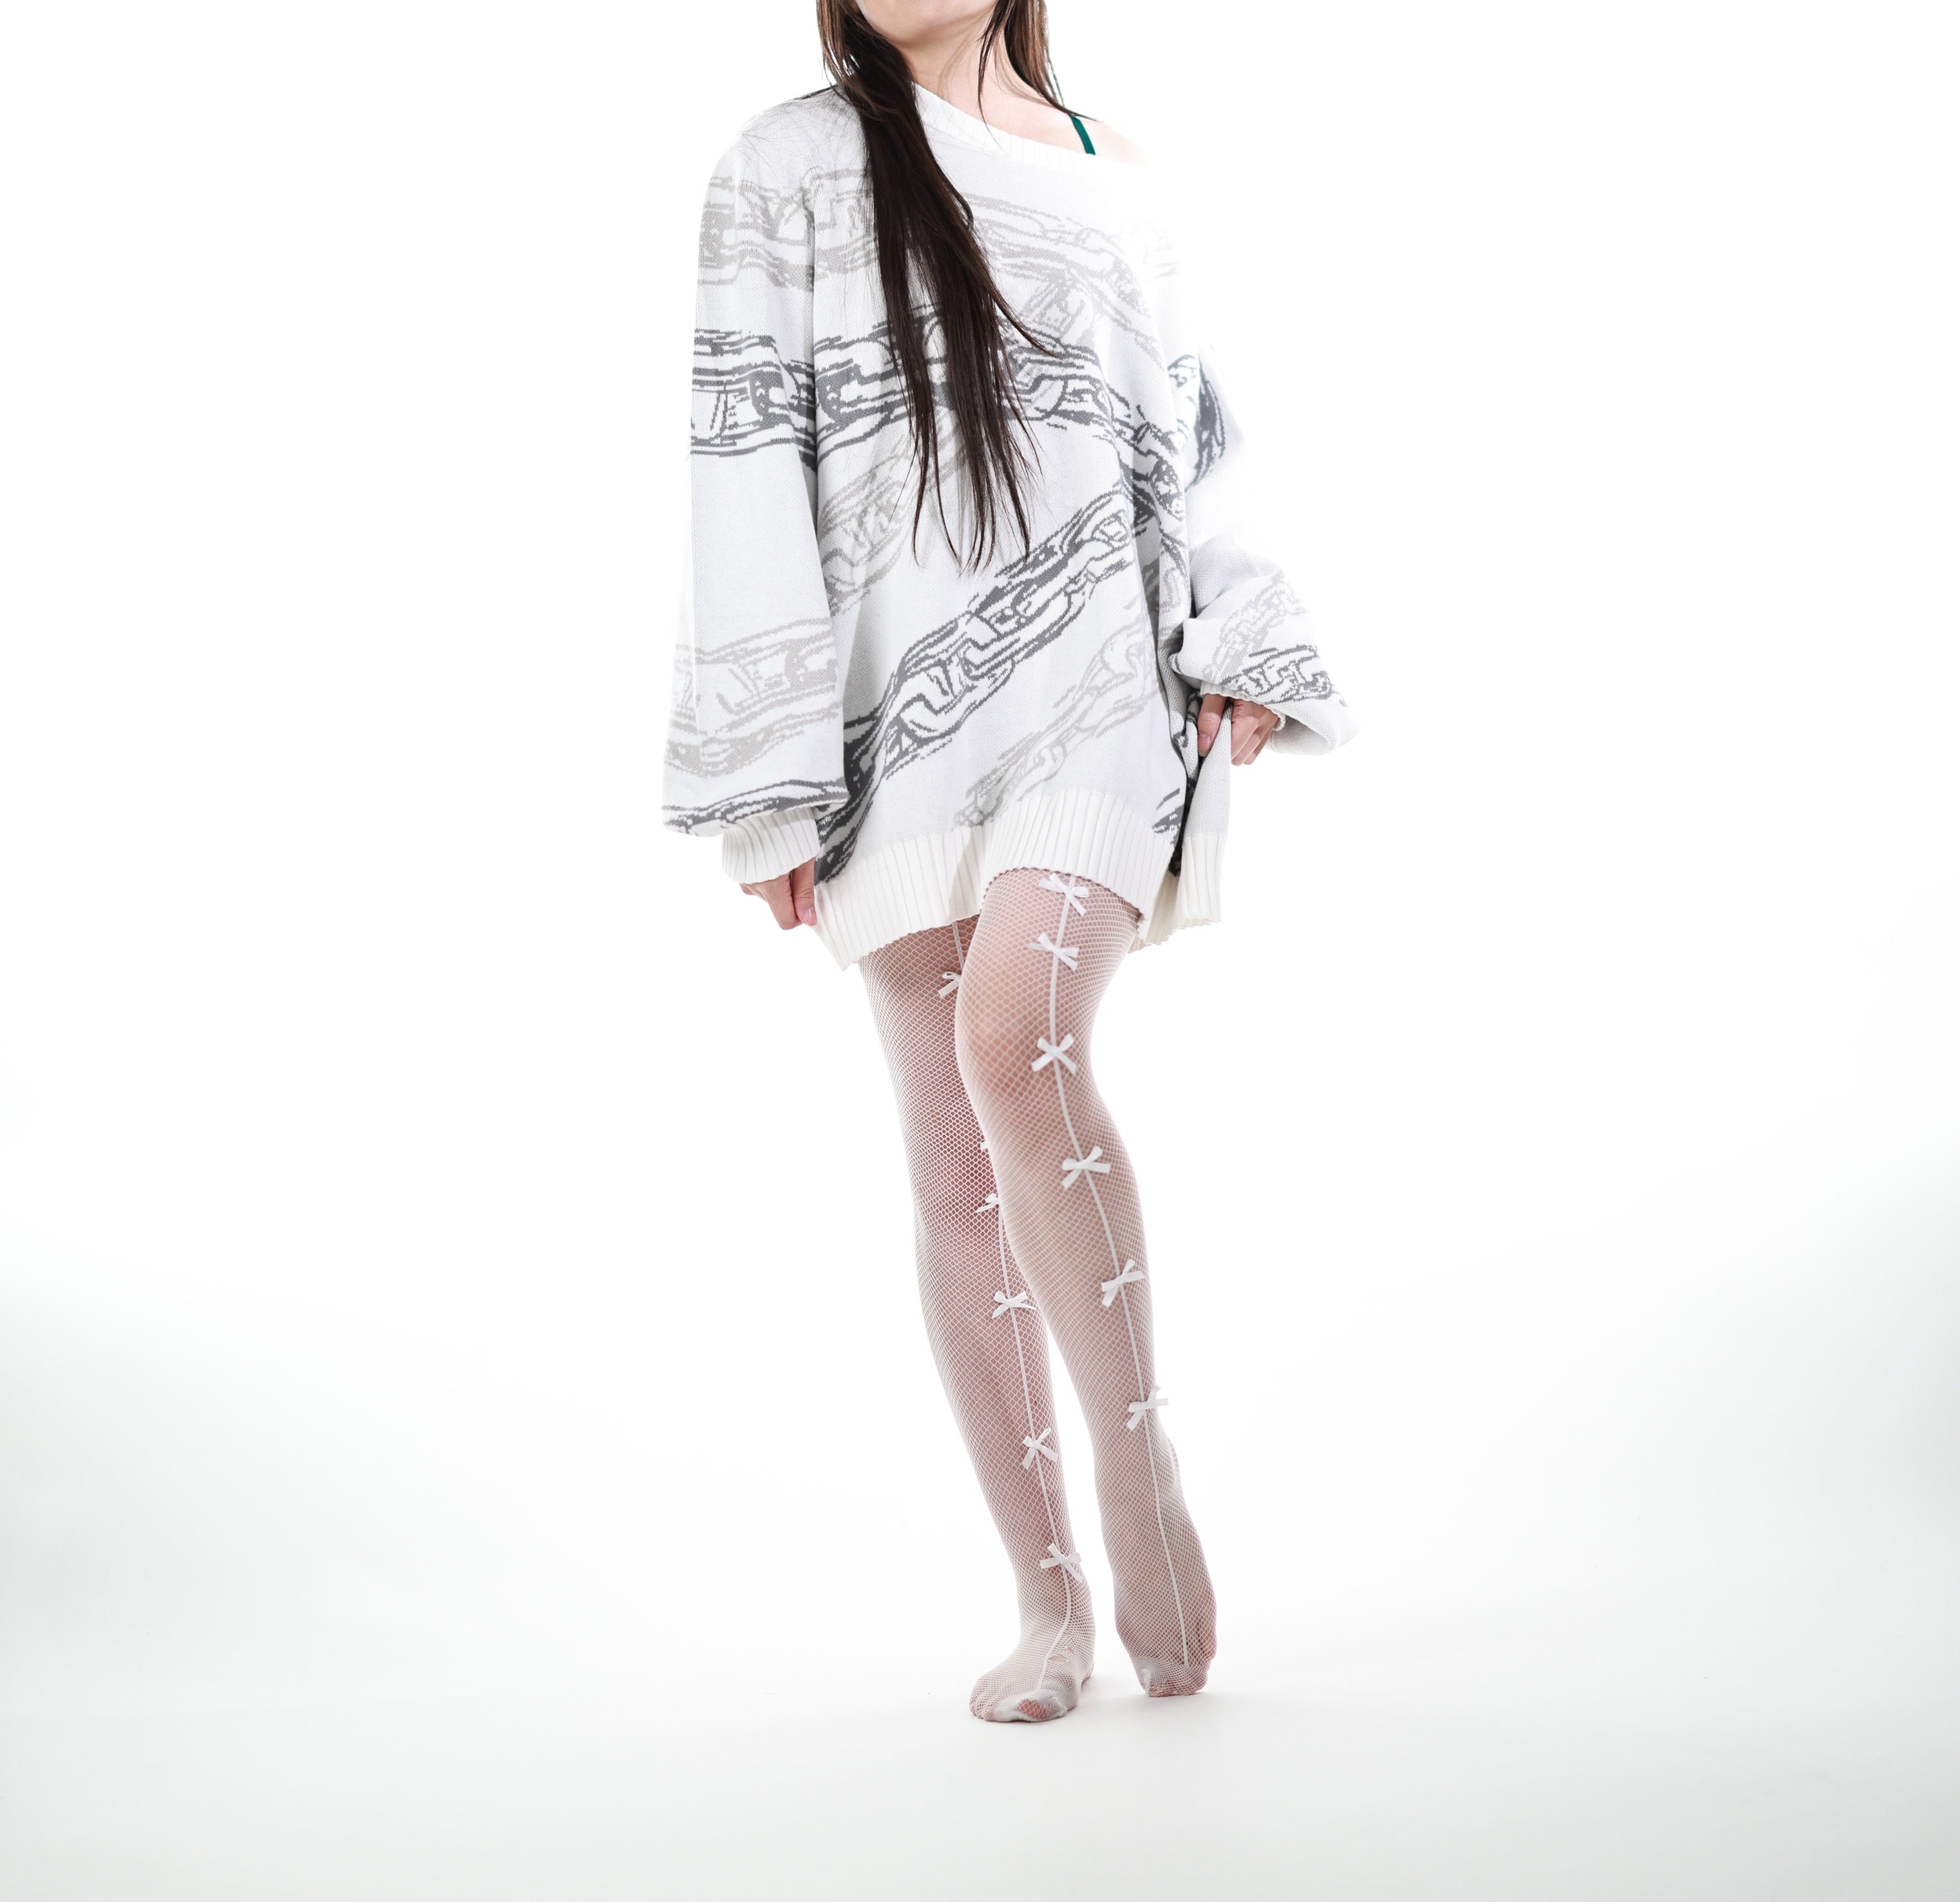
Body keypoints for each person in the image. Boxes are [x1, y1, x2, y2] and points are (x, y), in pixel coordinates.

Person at [663, 0, 1356, 1723]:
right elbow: (742, 459)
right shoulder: (784, 165)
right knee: (955, 1170)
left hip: (1102, 688)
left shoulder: (1114, 171)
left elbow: (1190, 451)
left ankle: (1139, 1478)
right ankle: (1047, 1600)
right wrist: (767, 775)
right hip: (889, 723)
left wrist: (1238, 641)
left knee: (1016, 1035)